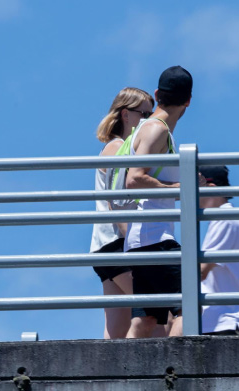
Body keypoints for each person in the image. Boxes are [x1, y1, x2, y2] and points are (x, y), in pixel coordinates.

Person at [123, 66, 193, 338]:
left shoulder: (148, 128)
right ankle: (181, 373)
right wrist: (180, 187)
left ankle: (123, 375)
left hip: (142, 239)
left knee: (146, 320)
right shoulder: (157, 130)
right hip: (156, 238)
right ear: (188, 101)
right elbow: (135, 179)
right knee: (189, 306)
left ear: (156, 94)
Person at [92, 87, 153, 339]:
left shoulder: (117, 148)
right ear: (126, 115)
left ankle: (102, 377)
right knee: (159, 309)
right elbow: (116, 204)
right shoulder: (118, 148)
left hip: (104, 247)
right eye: (145, 114)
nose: (150, 121)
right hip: (118, 245)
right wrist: (136, 247)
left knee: (115, 330)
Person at [198, 165, 239, 335]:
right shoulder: (223, 218)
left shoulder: (225, 217)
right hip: (229, 321)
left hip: (231, 321)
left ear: (210, 188)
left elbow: (200, 271)